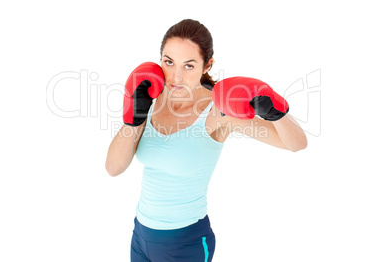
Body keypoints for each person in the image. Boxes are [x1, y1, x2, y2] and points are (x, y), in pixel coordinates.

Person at [105, 19, 308, 261]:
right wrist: (133, 119)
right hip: (141, 236)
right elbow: (113, 168)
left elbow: (296, 143)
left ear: (207, 65)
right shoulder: (149, 95)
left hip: (185, 243)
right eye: (168, 62)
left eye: (189, 66)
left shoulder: (217, 111)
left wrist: (276, 111)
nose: (176, 76)